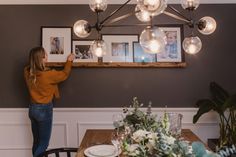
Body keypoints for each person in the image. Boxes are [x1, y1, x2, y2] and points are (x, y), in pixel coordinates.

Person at [24, 46, 75, 157]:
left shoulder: (27, 72)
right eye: (45, 55)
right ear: (41, 59)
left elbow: (31, 67)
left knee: (36, 141)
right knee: (44, 143)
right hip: (44, 109)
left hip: (32, 109)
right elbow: (64, 74)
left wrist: (36, 63)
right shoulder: (48, 75)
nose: (47, 56)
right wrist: (69, 61)